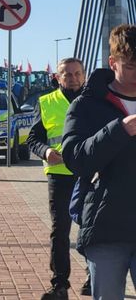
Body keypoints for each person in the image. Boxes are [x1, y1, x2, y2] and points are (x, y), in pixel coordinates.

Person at [62, 24, 136, 299]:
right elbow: (76, 160)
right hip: (106, 227)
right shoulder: (86, 105)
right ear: (112, 62)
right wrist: (119, 130)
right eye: (129, 66)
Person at [27, 57, 89, 299]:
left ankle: (92, 276)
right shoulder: (45, 102)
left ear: (84, 75)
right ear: (58, 77)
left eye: (77, 73)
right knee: (60, 230)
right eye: (67, 74)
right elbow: (33, 138)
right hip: (59, 176)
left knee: (91, 228)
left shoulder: (95, 102)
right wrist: (45, 151)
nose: (73, 78)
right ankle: (60, 285)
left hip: (89, 174)